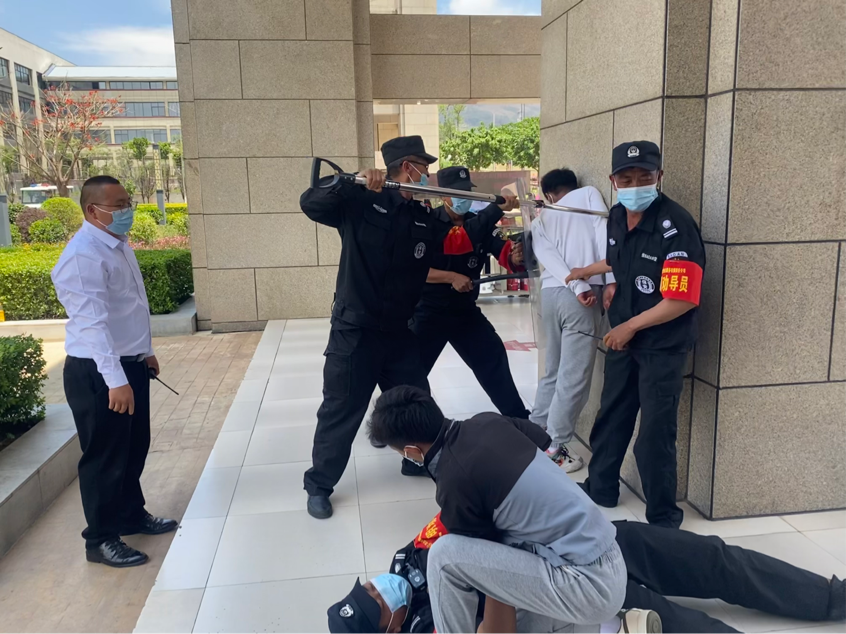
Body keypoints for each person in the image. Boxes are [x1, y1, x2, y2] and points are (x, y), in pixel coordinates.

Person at [366, 386, 628, 634]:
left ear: (412, 451)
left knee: (443, 557)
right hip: (607, 557)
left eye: (402, 453)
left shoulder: (454, 481)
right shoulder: (488, 421)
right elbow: (544, 442)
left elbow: (482, 567)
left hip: (587, 586)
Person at [327, 512, 846, 634]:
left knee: (712, 558)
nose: (379, 587)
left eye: (367, 586)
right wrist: (493, 577)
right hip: (575, 594)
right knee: (686, 625)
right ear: (389, 628)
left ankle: (830, 598)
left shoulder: (403, 562)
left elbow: (459, 514)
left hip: (588, 542)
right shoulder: (432, 626)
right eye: (376, 602)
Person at [300, 136, 441, 520]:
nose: (427, 174)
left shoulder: (421, 215)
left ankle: (416, 459)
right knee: (341, 408)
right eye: (423, 167)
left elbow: (448, 235)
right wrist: (352, 181)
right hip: (355, 331)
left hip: (399, 333)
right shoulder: (360, 201)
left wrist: (493, 212)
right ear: (406, 166)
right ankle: (319, 485)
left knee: (417, 400)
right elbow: (311, 203)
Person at [567, 141, 705, 529]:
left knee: (655, 434)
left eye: (644, 177)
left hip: (661, 345)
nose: (635, 185)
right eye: (626, 179)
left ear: (659, 176)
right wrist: (589, 273)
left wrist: (630, 326)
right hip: (623, 339)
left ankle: (663, 517)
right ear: (613, 181)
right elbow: (619, 260)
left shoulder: (675, 226)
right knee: (611, 417)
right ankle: (601, 488)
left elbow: (682, 299)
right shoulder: (617, 215)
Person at [51, 175, 177, 568]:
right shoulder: (83, 256)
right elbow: (92, 325)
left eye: (127, 203)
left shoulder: (117, 244)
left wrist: (145, 352)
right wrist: (116, 381)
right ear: (93, 210)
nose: (127, 211)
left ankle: (130, 514)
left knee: (133, 446)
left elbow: (131, 306)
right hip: (99, 372)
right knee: (105, 456)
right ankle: (101, 539)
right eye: (118, 205)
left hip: (128, 363)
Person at [410, 165, 529, 419]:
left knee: (492, 357)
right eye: (457, 193)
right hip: (428, 311)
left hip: (464, 312)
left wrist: (515, 255)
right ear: (443, 195)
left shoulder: (478, 223)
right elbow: (415, 268)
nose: (463, 199)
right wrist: (450, 277)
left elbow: (502, 250)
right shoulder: (427, 222)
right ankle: (398, 424)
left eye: (467, 192)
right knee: (410, 373)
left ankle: (519, 420)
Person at [529, 169, 612, 473]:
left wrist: (573, 283)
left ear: (549, 194)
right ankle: (555, 447)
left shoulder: (541, 217)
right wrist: (602, 282)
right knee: (574, 375)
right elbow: (604, 237)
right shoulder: (589, 195)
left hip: (550, 294)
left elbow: (547, 255)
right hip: (583, 295)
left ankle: (534, 433)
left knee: (553, 369)